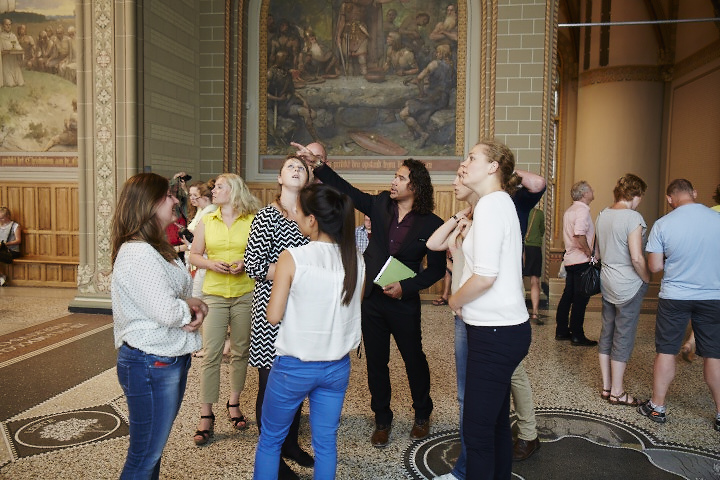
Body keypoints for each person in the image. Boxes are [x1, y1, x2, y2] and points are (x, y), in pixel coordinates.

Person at [294, 141, 445, 448]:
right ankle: (382, 419)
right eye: (395, 176)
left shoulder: (433, 224)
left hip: (404, 302)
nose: (394, 181)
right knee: (377, 361)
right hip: (372, 301)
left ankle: (421, 414)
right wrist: (318, 166)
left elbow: (436, 271)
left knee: (413, 358)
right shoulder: (380, 205)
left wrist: (407, 287)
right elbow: (346, 190)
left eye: (400, 177)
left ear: (415, 186)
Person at [253, 183, 365, 480]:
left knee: (271, 440)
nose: (295, 218)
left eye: (299, 213)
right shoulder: (356, 260)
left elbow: (273, 316)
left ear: (312, 220)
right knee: (326, 444)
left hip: (294, 367)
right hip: (336, 367)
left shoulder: (293, 257)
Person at [110, 173, 207, 479]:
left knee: (152, 453)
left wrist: (191, 306)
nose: (176, 200)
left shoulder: (155, 245)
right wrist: (192, 308)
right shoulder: (138, 252)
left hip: (163, 358)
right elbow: (167, 311)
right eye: (168, 195)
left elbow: (174, 297)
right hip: (151, 363)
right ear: (148, 204)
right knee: (143, 458)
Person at [448, 140, 530, 479]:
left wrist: (454, 302)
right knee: (495, 426)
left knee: (477, 433)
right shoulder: (496, 203)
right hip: (500, 331)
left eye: (472, 157)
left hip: (496, 334)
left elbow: (485, 277)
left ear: (494, 166)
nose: (465, 163)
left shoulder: (493, 205)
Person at [244, 155, 315, 479]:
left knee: (296, 380)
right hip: (271, 308)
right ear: (279, 178)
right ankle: (271, 456)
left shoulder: (311, 217)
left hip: (303, 309)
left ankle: (289, 444)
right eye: (291, 167)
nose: (297, 169)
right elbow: (256, 267)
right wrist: (294, 272)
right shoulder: (266, 216)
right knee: (271, 385)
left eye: (302, 167)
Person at [638, 178, 720, 431]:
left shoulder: (663, 224)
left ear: (669, 199)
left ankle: (657, 407)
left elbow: (655, 266)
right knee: (715, 355)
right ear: (694, 193)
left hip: (675, 296)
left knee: (666, 350)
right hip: (713, 295)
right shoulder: (717, 219)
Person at [187, 173, 261, 446]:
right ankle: (206, 414)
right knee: (211, 353)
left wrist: (245, 261)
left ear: (234, 190)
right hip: (215, 294)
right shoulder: (207, 220)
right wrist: (210, 264)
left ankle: (234, 403)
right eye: (214, 186)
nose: (213, 189)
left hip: (245, 293)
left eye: (219, 186)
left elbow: (262, 254)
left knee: (241, 350)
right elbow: (195, 254)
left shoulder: (253, 220)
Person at [426, 168, 476, 480]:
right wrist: (459, 217)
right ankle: (468, 464)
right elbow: (433, 244)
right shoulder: (464, 224)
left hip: (477, 317)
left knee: (474, 396)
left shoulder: (487, 223)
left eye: (459, 178)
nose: (453, 182)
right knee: (464, 395)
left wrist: (455, 301)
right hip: (463, 319)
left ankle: (467, 468)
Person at [595, 174, 650, 406]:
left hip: (606, 280)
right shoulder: (633, 217)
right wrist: (647, 278)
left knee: (607, 332)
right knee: (623, 336)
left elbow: (596, 254)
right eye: (640, 197)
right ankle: (618, 391)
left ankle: (607, 387)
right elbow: (637, 257)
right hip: (628, 283)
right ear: (634, 195)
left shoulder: (602, 214)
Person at [555, 180, 598, 346]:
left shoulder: (570, 211)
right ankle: (577, 335)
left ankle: (562, 331)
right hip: (581, 260)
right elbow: (579, 234)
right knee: (581, 299)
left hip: (570, 260)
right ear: (584, 193)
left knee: (568, 296)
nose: (593, 191)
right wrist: (589, 253)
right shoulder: (582, 211)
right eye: (591, 189)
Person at [399, 44, 454, 147]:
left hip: (432, 99)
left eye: (438, 52)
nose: (436, 54)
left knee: (403, 114)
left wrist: (421, 93)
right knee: (408, 103)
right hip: (443, 100)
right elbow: (440, 83)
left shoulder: (434, 64)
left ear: (441, 54)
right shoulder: (451, 66)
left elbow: (419, 79)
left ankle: (422, 134)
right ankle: (412, 134)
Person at [185, 179, 217, 298]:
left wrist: (189, 243)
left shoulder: (210, 212)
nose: (192, 199)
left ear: (205, 197)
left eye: (196, 196)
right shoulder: (201, 211)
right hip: (195, 258)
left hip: (203, 260)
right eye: (190, 195)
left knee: (197, 297)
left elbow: (208, 243)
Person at [523, 207, 545, 324]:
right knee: (535, 281)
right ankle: (535, 312)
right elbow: (542, 230)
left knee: (517, 279)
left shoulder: (518, 210)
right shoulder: (539, 213)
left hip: (520, 247)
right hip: (534, 248)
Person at [0, 206, 21, 286]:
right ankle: (1, 275)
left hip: (12, 251)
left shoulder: (15, 226)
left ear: (8, 216)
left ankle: (2, 276)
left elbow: (18, 240)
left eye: (2, 218)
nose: (0, 220)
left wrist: (5, 244)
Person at [1, 18, 24, 87]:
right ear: (3, 26)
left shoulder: (13, 36)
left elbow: (17, 46)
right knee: (10, 84)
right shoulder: (1, 36)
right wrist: (6, 52)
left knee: (20, 83)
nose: (8, 26)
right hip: (5, 61)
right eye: (6, 25)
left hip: (13, 60)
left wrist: (20, 50)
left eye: (9, 25)